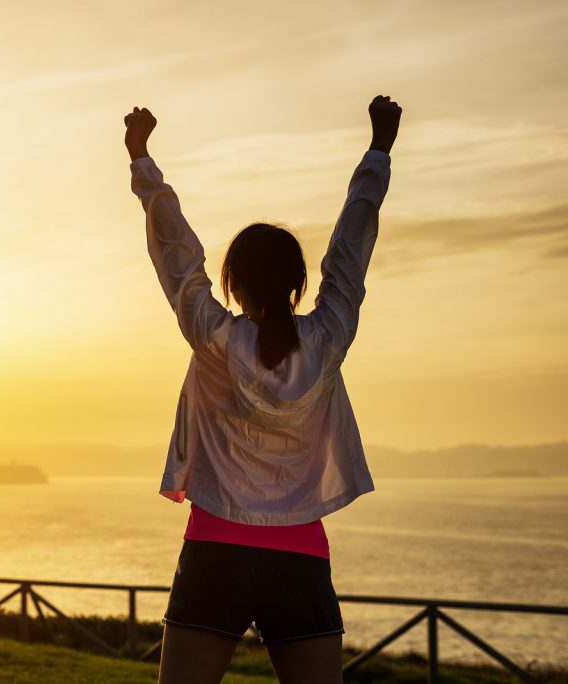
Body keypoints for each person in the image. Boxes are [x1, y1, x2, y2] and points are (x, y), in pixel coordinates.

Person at [123, 95, 402, 684]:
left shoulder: (213, 337)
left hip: (214, 549)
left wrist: (143, 161)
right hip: (300, 558)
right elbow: (350, 253)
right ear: (299, 283)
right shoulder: (327, 341)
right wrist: (378, 150)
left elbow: (177, 255)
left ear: (232, 281)